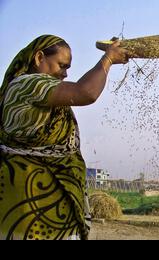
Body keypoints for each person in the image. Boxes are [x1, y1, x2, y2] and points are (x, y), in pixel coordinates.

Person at [0, 35, 129, 240]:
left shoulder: (37, 93)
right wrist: (108, 59)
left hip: (45, 199)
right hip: (32, 200)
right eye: (61, 65)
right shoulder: (26, 85)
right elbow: (86, 92)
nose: (65, 73)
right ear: (39, 57)